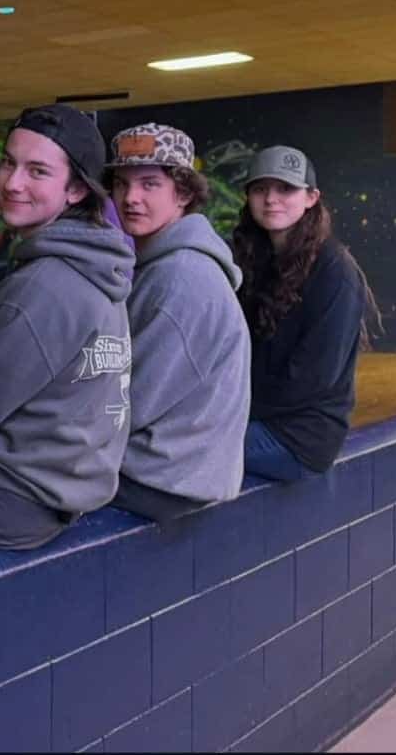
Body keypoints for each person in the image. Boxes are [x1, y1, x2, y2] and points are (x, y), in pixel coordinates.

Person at [0, 104, 134, 549]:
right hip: (59, 496)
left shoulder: (42, 289)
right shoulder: (103, 267)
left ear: (74, 190)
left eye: (37, 171)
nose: (13, 183)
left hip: (1, 503)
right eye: (9, 163)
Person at [105, 123, 250, 522]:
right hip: (177, 469)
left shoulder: (181, 277)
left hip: (165, 481)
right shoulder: (166, 264)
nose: (130, 198)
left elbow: (131, 404)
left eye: (150, 184)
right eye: (121, 184)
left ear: (183, 193)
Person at [232, 145, 379, 481]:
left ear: (311, 198)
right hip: (256, 420)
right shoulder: (255, 258)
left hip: (297, 439)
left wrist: (229, 413)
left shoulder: (336, 271)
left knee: (176, 452)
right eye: (260, 189)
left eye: (285, 188)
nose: (271, 199)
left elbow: (312, 379)